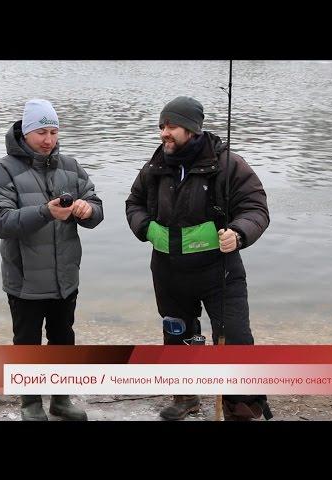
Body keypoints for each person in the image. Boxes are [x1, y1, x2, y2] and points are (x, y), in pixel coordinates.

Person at [125, 96, 272, 421]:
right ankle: (186, 397)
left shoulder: (228, 164)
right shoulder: (155, 166)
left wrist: (239, 232)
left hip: (218, 271)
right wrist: (145, 228)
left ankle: (240, 403)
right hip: (168, 272)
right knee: (178, 335)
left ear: (191, 129)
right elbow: (133, 203)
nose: (164, 132)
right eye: (162, 125)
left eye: (171, 126)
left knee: (234, 337)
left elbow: (256, 208)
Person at [0, 99, 103, 421]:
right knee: (27, 343)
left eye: (53, 131)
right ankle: (30, 403)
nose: (48, 140)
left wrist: (87, 211)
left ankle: (60, 400)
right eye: (40, 132)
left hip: (65, 276)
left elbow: (96, 207)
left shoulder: (71, 166)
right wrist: (44, 212)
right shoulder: (3, 170)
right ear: (25, 131)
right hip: (24, 280)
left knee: (63, 339)